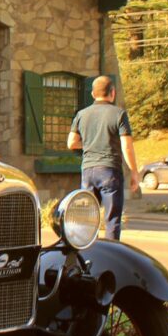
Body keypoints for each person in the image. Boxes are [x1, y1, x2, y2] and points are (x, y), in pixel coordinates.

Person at [67, 75, 140, 240]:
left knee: (86, 219)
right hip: (109, 171)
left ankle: (85, 253)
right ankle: (110, 256)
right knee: (112, 219)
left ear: (93, 94)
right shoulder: (119, 114)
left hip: (87, 171)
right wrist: (134, 172)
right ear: (112, 93)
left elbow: (71, 143)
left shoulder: (81, 114)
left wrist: (91, 144)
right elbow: (126, 146)